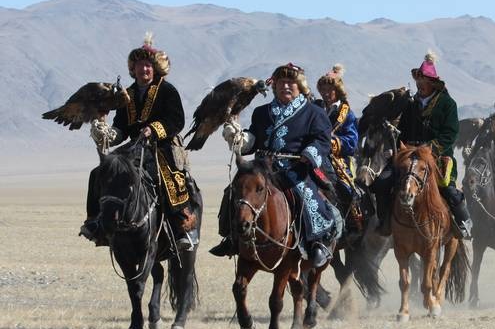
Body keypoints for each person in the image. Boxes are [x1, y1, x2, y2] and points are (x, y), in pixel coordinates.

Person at [213, 63, 340, 267]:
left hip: (295, 169)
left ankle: (317, 242)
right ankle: (231, 237)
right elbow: (255, 136)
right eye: (281, 82)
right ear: (275, 86)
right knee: (234, 190)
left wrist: (309, 153)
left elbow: (322, 140)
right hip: (263, 168)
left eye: (291, 82)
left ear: (300, 86)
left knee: (307, 197)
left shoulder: (314, 113)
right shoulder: (262, 112)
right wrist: (240, 138)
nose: (286, 86)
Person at [81, 34, 200, 250]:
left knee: (168, 178)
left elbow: (177, 120)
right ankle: (95, 222)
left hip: (162, 146)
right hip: (133, 148)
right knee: (99, 172)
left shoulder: (167, 90)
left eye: (148, 65)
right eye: (139, 66)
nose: (144, 70)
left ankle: (179, 227)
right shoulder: (127, 95)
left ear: (154, 68)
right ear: (132, 69)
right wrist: (107, 134)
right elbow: (121, 127)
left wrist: (153, 130)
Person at [372, 51, 473, 239]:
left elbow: (450, 134)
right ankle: (385, 221)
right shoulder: (411, 104)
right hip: (409, 156)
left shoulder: (447, 104)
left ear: (432, 83)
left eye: (422, 82)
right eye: (417, 82)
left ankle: (463, 224)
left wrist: (428, 150)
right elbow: (402, 131)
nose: (419, 85)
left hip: (437, 157)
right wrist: (397, 142)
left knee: (449, 191)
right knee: (381, 183)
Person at [315, 63, 363, 239]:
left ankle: (353, 225)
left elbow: (352, 141)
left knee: (346, 189)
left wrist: (332, 142)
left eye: (330, 89)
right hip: (313, 155)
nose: (326, 93)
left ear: (338, 90)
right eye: (323, 89)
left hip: (338, 160)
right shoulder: (315, 107)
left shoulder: (347, 113)